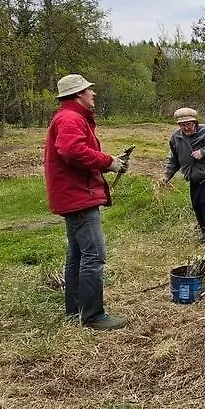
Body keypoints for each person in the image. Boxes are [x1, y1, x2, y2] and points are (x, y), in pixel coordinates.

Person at [43, 74, 128, 330]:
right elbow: (72, 151)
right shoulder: (70, 118)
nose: (94, 94)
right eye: (90, 90)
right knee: (94, 255)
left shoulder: (69, 117)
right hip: (79, 196)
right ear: (78, 94)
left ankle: (75, 310)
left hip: (75, 194)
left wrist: (110, 160)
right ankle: (93, 316)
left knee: (78, 255)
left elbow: (75, 150)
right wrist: (107, 161)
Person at [163, 107, 205, 242]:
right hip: (194, 176)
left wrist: (203, 152)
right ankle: (204, 230)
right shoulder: (176, 137)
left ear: (195, 122)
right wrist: (167, 176)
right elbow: (174, 159)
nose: (186, 128)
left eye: (188, 124)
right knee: (196, 204)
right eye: (182, 125)